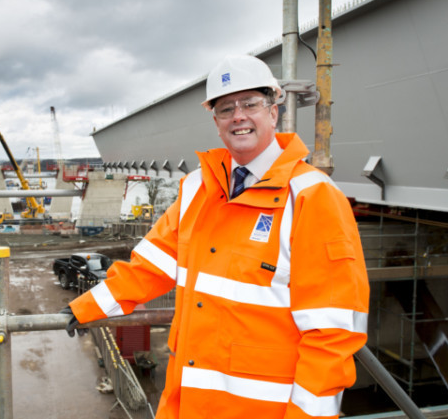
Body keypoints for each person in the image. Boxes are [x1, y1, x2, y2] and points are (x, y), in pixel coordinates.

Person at [62, 55, 369, 419]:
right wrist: (87, 305)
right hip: (189, 402)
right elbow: (154, 263)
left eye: (250, 104)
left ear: (274, 112)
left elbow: (331, 331)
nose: (238, 116)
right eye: (225, 109)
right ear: (216, 122)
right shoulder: (197, 188)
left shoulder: (311, 197)